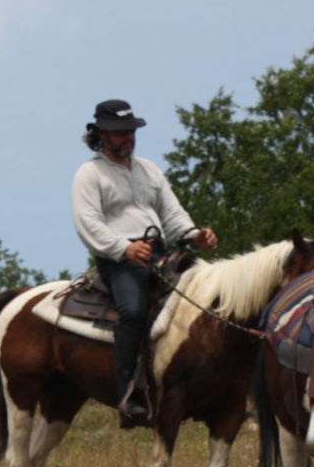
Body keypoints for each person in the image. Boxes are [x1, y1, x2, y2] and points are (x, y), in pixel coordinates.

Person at [71, 99, 217, 428]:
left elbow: (172, 214)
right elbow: (88, 225)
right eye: (121, 133)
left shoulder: (149, 169)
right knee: (134, 311)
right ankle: (129, 396)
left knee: (211, 297)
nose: (129, 138)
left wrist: (195, 236)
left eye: (131, 131)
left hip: (161, 253)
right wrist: (125, 249)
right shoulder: (89, 174)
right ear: (102, 134)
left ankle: (209, 389)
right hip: (119, 260)